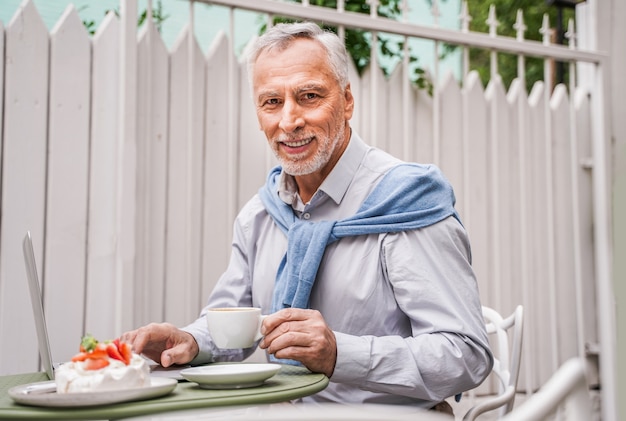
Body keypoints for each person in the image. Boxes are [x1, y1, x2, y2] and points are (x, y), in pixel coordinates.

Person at [122, 21, 493, 412]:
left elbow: (465, 354)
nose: (289, 121)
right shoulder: (262, 214)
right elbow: (235, 325)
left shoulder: (405, 202)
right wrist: (190, 341)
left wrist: (339, 353)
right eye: (271, 102)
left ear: (347, 101)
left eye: (309, 96)